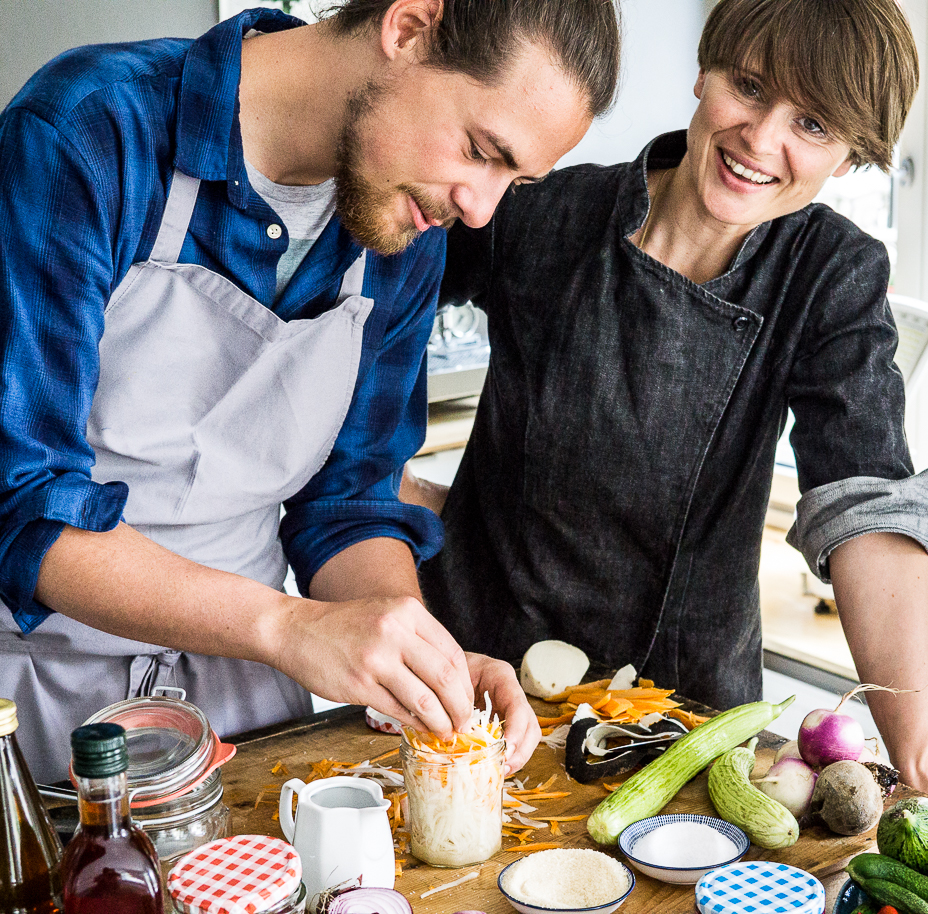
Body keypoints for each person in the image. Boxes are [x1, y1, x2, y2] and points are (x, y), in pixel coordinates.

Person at [0, 0, 621, 783]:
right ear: (407, 29)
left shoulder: (402, 221)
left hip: (252, 708)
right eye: (479, 150)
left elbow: (348, 504)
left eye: (514, 178)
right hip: (43, 701)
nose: (479, 207)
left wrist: (416, 655)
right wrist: (288, 626)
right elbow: (22, 501)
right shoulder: (92, 133)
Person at [413, 0, 928, 816]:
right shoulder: (543, 209)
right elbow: (370, 311)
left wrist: (923, 759)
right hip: (467, 678)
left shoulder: (830, 273)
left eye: (814, 125)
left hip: (681, 722)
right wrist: (383, 500)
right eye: (750, 86)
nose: (762, 140)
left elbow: (867, 508)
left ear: (851, 156)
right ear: (705, 68)